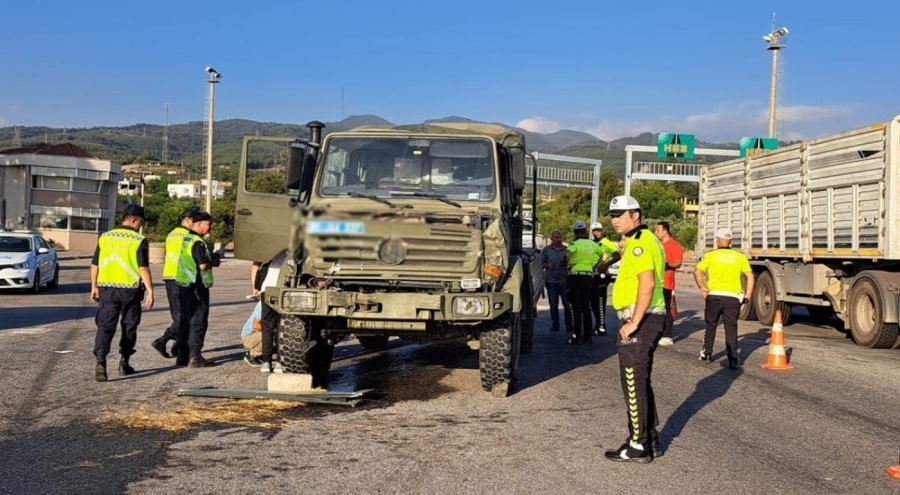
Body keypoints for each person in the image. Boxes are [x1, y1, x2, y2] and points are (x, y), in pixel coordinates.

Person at [603, 195, 666, 463]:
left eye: (620, 215)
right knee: (640, 381)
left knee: (632, 382)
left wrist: (633, 323)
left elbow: (647, 284)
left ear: (635, 215)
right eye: (612, 215)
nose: (615, 220)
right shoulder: (640, 240)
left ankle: (637, 445)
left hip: (642, 320)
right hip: (648, 318)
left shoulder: (640, 242)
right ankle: (649, 439)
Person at [90, 204, 154, 382]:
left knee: (105, 325)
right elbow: (143, 268)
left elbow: (94, 265)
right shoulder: (138, 239)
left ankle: (101, 361)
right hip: (130, 291)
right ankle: (124, 362)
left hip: (107, 289)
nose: (141, 225)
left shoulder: (105, 237)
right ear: (133, 220)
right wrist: (150, 291)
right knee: (129, 326)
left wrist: (94, 286)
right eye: (141, 222)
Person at [693, 227, 755, 370]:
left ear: (717, 241)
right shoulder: (740, 256)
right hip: (732, 298)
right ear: (731, 241)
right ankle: (733, 358)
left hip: (714, 295)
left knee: (711, 325)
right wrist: (747, 295)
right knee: (731, 327)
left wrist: (702, 287)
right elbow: (750, 276)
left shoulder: (710, 255)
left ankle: (707, 353)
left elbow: (697, 272)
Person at [174, 211, 219, 368]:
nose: (211, 227)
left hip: (184, 285)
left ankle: (182, 357)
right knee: (198, 321)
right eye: (209, 224)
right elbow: (203, 265)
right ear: (199, 224)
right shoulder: (198, 242)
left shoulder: (186, 239)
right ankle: (195, 356)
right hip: (196, 287)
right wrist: (214, 262)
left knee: (185, 321)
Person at [151, 209, 195, 359]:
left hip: (169, 276)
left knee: (178, 313)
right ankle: (163, 340)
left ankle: (178, 346)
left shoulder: (171, 234)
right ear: (187, 220)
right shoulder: (188, 236)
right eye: (194, 221)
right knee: (184, 316)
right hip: (182, 276)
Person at [563, 220, 604, 345]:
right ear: (585, 231)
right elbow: (604, 255)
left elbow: (567, 255)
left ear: (575, 232)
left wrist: (567, 265)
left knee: (576, 307)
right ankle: (587, 336)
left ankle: (576, 335)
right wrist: (595, 266)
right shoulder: (592, 244)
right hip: (588, 277)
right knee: (586, 307)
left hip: (575, 277)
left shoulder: (574, 244)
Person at [654, 221, 684, 347]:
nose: (656, 232)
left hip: (666, 282)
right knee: (656, 309)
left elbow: (678, 262)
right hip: (655, 282)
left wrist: (667, 264)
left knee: (666, 309)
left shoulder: (674, 245)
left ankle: (667, 335)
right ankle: (657, 332)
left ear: (665, 231)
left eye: (658, 230)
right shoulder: (657, 244)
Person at [589, 222, 621, 336]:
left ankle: (602, 326)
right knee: (593, 302)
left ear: (603, 231)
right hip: (593, 275)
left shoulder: (606, 242)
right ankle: (598, 325)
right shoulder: (593, 243)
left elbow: (617, 255)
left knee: (600, 302)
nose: (597, 233)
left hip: (601, 275)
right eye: (595, 231)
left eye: (599, 230)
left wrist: (606, 265)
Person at [540, 230, 572, 333]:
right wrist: (547, 265)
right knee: (553, 305)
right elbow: (540, 262)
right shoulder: (546, 250)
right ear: (552, 239)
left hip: (565, 281)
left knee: (567, 304)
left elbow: (571, 262)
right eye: (556, 237)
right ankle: (555, 325)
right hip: (551, 282)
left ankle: (569, 325)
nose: (559, 239)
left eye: (560, 237)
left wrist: (569, 266)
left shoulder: (567, 250)